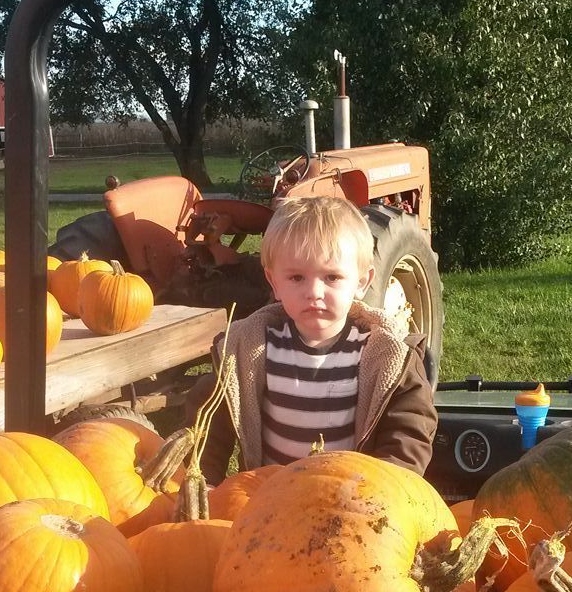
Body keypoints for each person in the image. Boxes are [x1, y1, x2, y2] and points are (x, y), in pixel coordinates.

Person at [185, 194, 438, 482]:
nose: (314, 292)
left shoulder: (380, 355)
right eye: (296, 278)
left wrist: (382, 488)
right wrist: (203, 483)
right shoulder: (251, 351)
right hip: (269, 504)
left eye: (331, 278)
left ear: (361, 282)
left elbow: (408, 431)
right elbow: (208, 422)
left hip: (348, 502)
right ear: (274, 282)